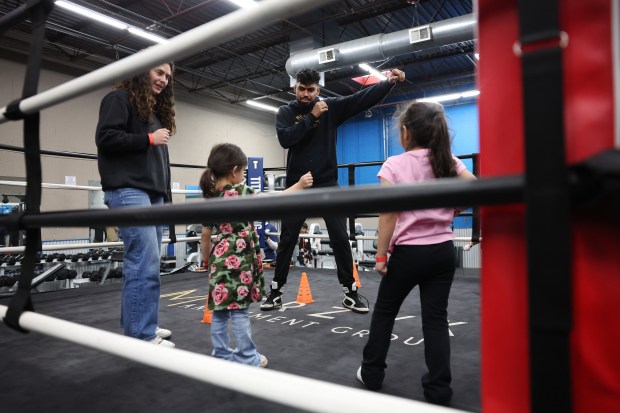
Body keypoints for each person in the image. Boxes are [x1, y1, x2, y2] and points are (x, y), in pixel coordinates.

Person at [356, 101, 477, 406]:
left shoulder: (394, 165)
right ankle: (438, 390)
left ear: (406, 132)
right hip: (442, 252)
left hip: (408, 254)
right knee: (435, 321)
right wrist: (455, 207)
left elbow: (388, 214)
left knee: (384, 313)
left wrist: (381, 257)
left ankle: (371, 374)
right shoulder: (446, 160)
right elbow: (476, 188)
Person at [261, 67, 406, 313]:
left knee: (340, 237)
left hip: (327, 184)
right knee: (287, 240)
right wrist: (311, 117)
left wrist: (388, 83)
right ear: (294, 88)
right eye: (301, 89)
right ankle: (276, 292)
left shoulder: (330, 107)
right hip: (298, 185)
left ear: (318, 89)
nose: (306, 94)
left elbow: (360, 99)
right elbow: (286, 139)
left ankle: (350, 292)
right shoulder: (286, 112)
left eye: (311, 90)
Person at [200, 143, 312, 367]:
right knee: (240, 312)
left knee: (220, 311)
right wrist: (299, 185)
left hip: (219, 260)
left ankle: (221, 354)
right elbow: (274, 198)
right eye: (242, 172)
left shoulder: (211, 198)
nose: (242, 177)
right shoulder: (242, 192)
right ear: (234, 171)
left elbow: (205, 235)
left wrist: (206, 261)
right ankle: (247, 357)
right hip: (241, 261)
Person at [95, 62, 176, 347]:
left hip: (151, 193)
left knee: (149, 264)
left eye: (167, 76)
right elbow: (105, 138)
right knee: (144, 261)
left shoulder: (152, 111)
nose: (164, 79)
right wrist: (149, 139)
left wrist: (165, 197)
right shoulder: (119, 99)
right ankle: (140, 335)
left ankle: (142, 325)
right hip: (129, 190)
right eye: (158, 72)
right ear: (142, 70)